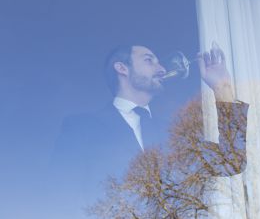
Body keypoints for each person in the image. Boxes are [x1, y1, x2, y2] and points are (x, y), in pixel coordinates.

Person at [49, 43, 248, 218]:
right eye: (149, 60)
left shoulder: (174, 133)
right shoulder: (82, 127)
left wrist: (222, 88)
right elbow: (60, 197)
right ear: (122, 68)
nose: (161, 68)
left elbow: (230, 160)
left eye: (159, 63)